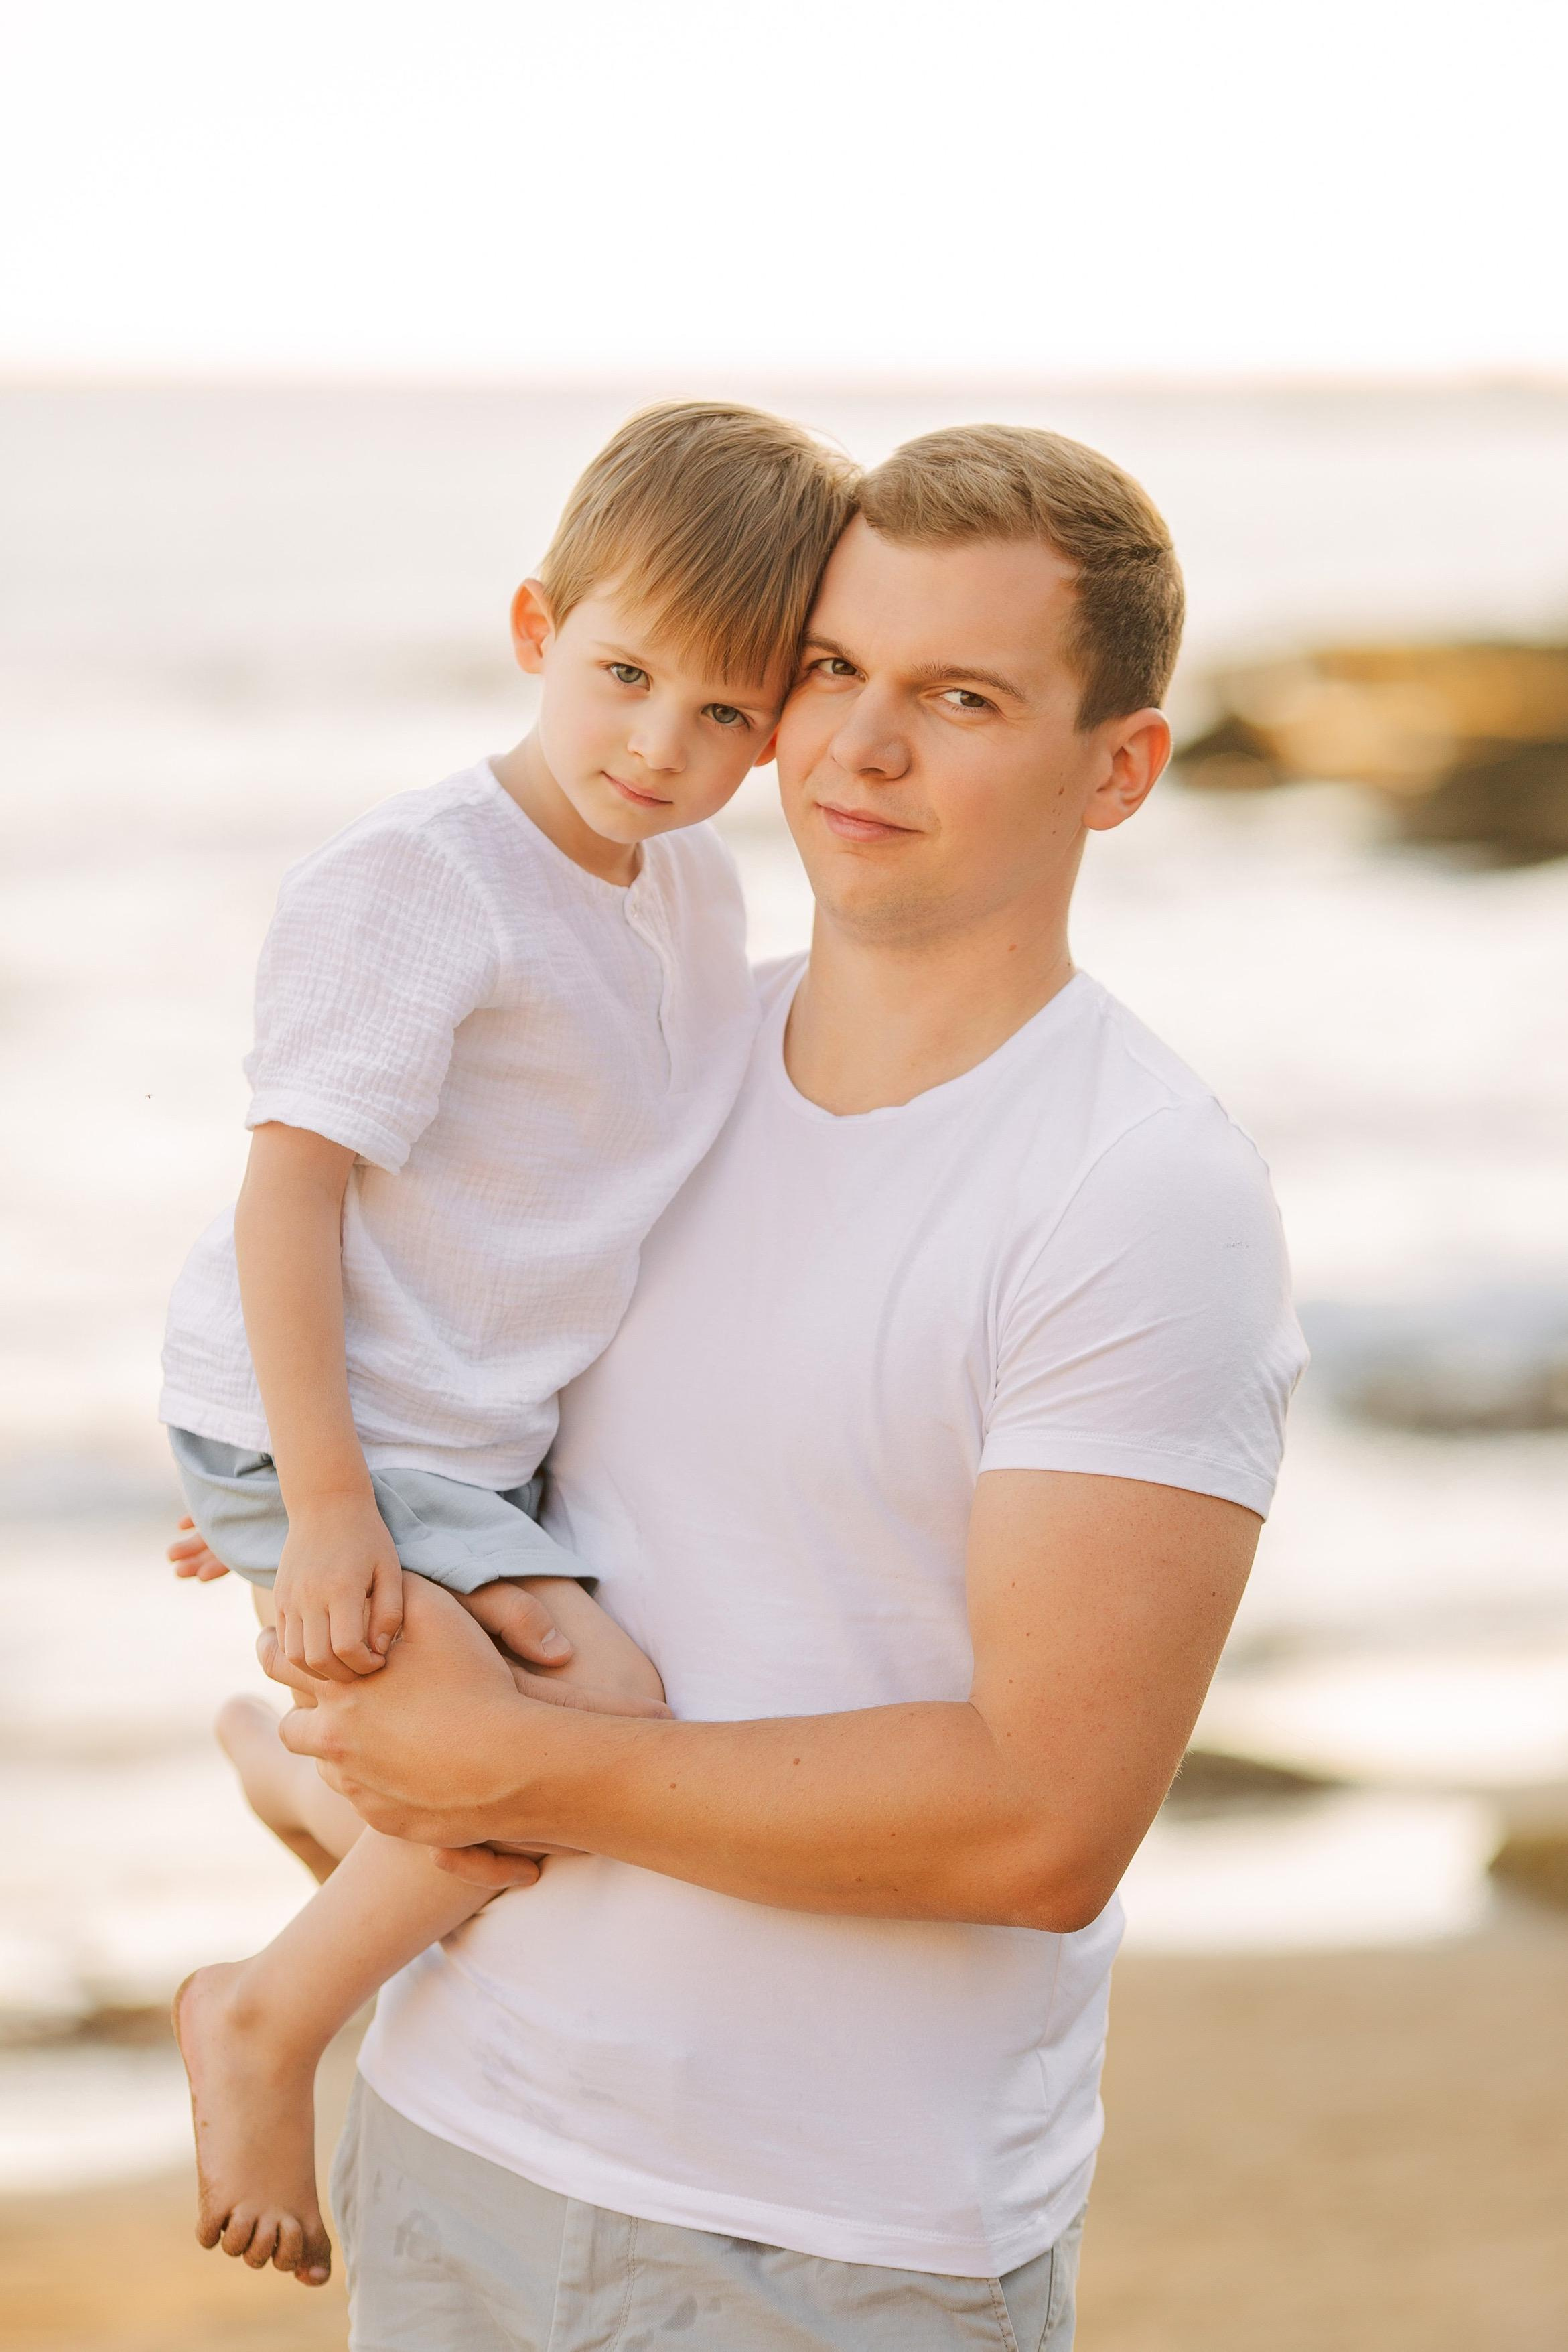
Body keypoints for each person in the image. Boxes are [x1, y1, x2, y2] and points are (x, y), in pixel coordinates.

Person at [255, 423, 1309, 2351]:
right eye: (831, 670)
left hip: (830, 2245)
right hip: (451, 2141)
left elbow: (1040, 1819)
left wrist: (513, 1767)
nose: (856, 749)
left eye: (961, 697)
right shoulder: (636, 1063)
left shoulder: (1137, 1192)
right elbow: (404, 1399)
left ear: (1122, 768)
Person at [157, 399, 859, 2288]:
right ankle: (263, 2017)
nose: (663, 747)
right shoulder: (424, 882)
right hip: (360, 1438)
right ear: (540, 627)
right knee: (590, 1739)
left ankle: (303, 1775)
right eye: (627, 675)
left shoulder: (695, 893)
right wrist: (308, 1501)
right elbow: (288, 1198)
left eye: (727, 713)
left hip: (453, 1444)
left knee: (540, 1772)